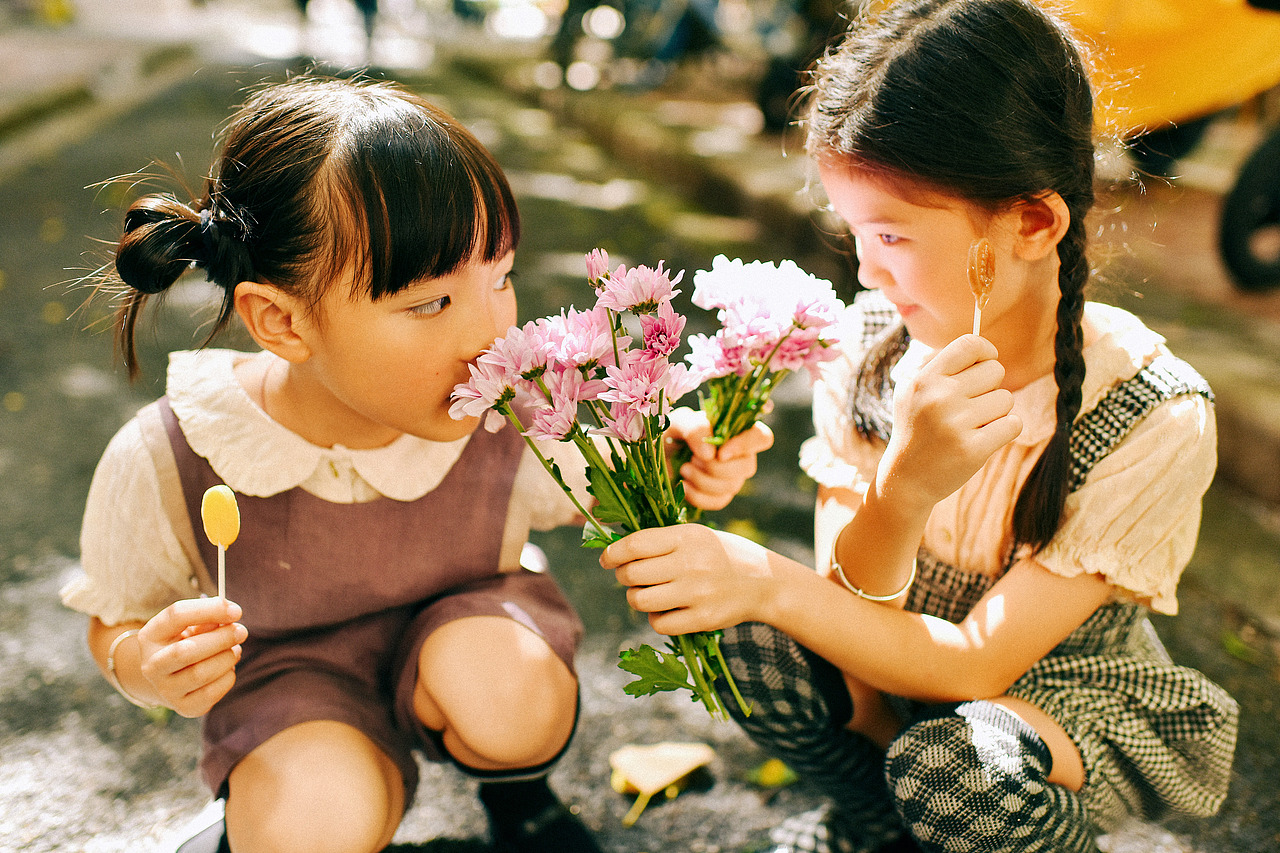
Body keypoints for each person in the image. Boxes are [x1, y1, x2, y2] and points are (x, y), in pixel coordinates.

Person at [61, 76, 769, 853]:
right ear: (282, 321)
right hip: (293, 690)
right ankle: (268, 810)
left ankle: (520, 799)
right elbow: (116, 614)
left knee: (505, 687)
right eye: (430, 303)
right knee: (308, 825)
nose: (490, 330)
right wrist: (145, 664)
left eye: (500, 278)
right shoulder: (176, 453)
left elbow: (613, 470)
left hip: (472, 636)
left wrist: (691, 454)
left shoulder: (508, 400)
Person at [601, 2, 1239, 852]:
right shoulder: (869, 346)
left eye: (893, 233)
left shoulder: (1154, 410)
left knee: (951, 770)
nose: (866, 268)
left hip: (1051, 713)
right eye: (855, 230)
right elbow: (853, 616)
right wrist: (896, 500)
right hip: (892, 675)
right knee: (738, 634)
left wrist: (780, 564)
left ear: (1033, 223)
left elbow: (977, 666)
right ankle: (874, 822)